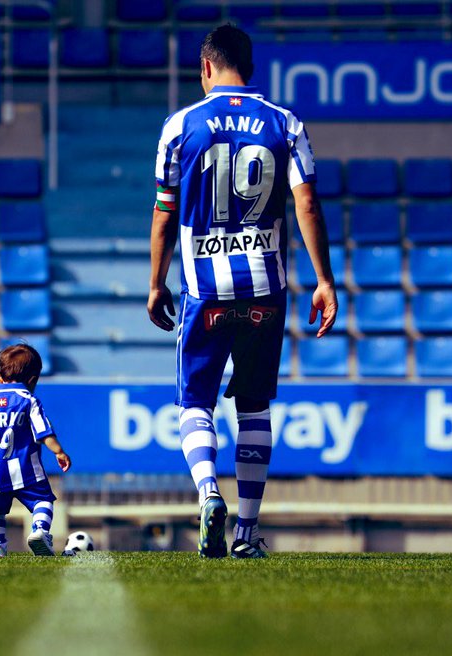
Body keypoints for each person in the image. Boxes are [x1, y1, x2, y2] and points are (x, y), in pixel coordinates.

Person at [148, 24, 337, 560]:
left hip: (204, 289)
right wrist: (324, 280)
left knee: (195, 402)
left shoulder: (180, 126)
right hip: (264, 289)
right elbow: (307, 203)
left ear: (206, 67)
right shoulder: (285, 123)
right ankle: (246, 534)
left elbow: (164, 213)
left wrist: (156, 282)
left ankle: (209, 493)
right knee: (254, 407)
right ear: (249, 68)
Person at [0, 344, 72, 557]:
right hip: (26, 468)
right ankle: (40, 530)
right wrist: (59, 452)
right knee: (43, 501)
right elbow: (44, 432)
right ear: (33, 380)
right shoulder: (29, 401)